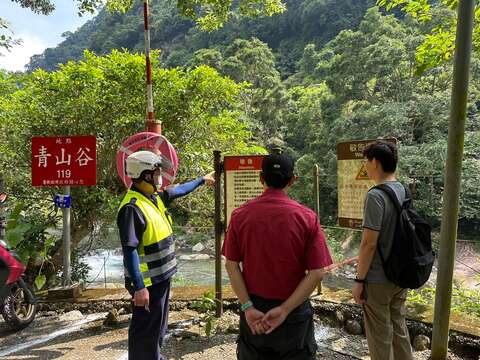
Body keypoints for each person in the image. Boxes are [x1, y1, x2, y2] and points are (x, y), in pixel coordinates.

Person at [222, 153, 333, 360]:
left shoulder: (240, 215)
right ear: (292, 180)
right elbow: (317, 272)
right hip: (293, 314)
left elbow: (231, 266)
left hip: (254, 310)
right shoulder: (307, 218)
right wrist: (284, 310)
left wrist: (248, 307)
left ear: (261, 178)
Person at [117, 150, 214, 360]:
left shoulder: (153, 198)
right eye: (157, 172)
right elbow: (129, 249)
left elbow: (178, 190)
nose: (160, 176)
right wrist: (140, 287)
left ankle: (155, 356)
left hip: (160, 277)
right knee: (145, 329)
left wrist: (202, 180)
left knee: (158, 326)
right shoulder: (132, 208)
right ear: (145, 175)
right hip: (147, 282)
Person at [352, 140, 413, 360]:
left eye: (366, 162)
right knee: (398, 327)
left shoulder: (375, 196)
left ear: (375, 162)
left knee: (380, 336)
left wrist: (359, 281)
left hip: (378, 278)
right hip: (400, 273)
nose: (366, 166)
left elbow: (369, 243)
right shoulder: (403, 190)